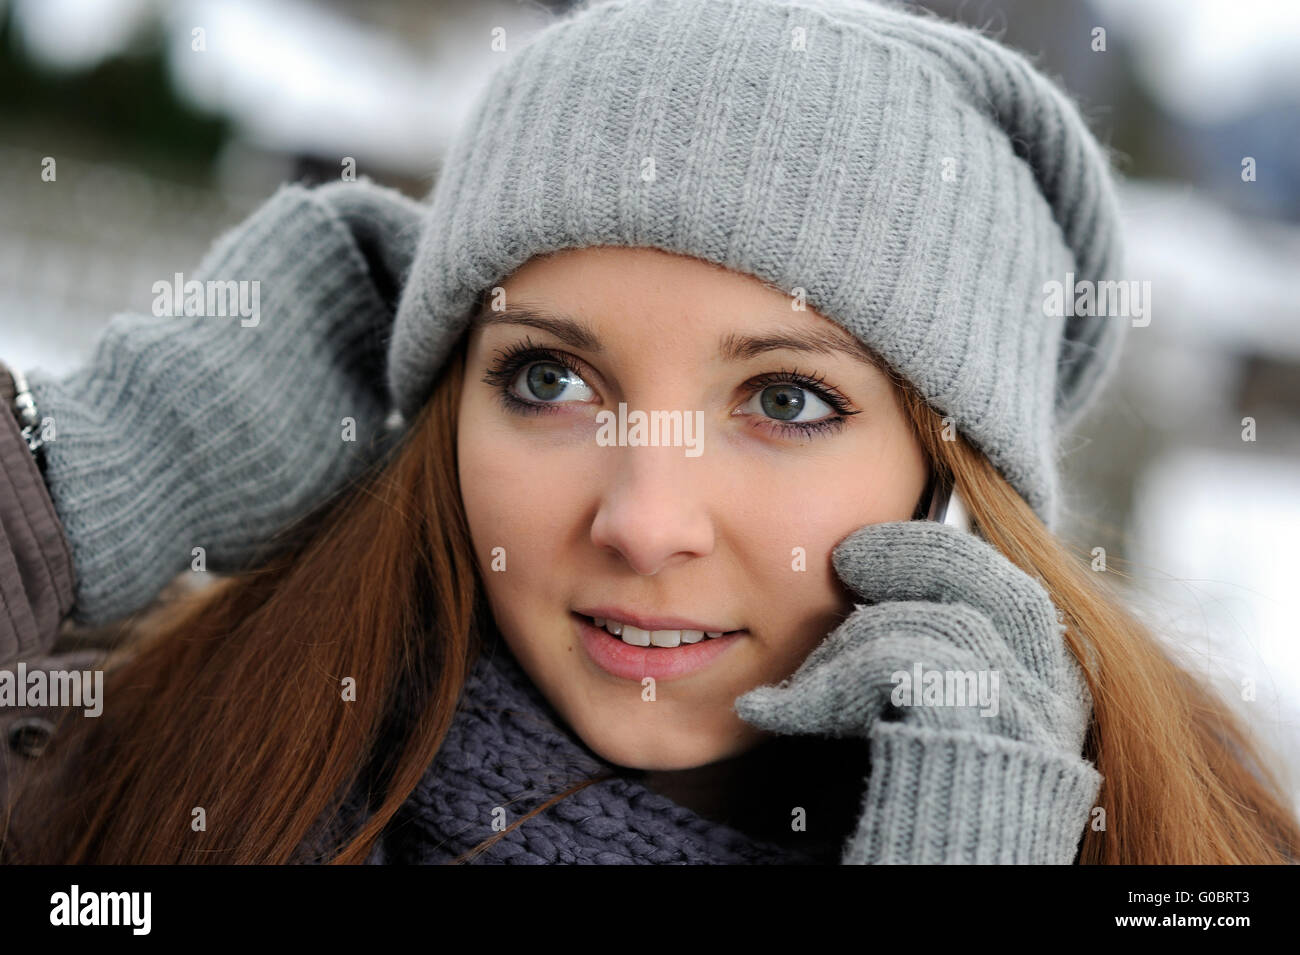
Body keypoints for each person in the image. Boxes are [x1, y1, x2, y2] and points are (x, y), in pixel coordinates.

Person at [2, 0, 1298, 864]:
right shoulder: (139, 770)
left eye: (787, 401)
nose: (642, 522)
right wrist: (91, 470)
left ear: (952, 487)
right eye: (550, 381)